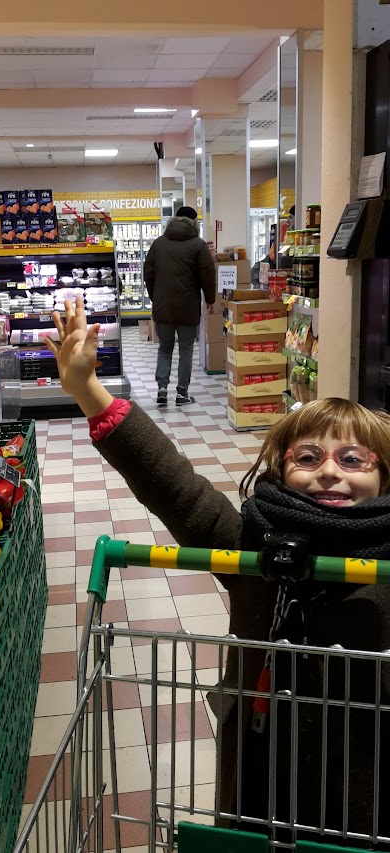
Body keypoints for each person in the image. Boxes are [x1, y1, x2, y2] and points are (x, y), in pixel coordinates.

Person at [45, 297, 390, 840]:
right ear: (280, 469)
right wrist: (89, 392)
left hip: (365, 786)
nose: (330, 472)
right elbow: (180, 491)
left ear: (383, 477)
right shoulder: (255, 548)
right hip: (260, 767)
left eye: (353, 460)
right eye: (307, 457)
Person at [143, 206, 216, 407]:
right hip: (188, 307)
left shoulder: (159, 244)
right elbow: (207, 275)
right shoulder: (198, 245)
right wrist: (210, 300)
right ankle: (182, 393)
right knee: (186, 350)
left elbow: (147, 273)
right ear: (194, 224)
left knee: (165, 348)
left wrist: (155, 297)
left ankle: (162, 389)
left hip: (163, 307)